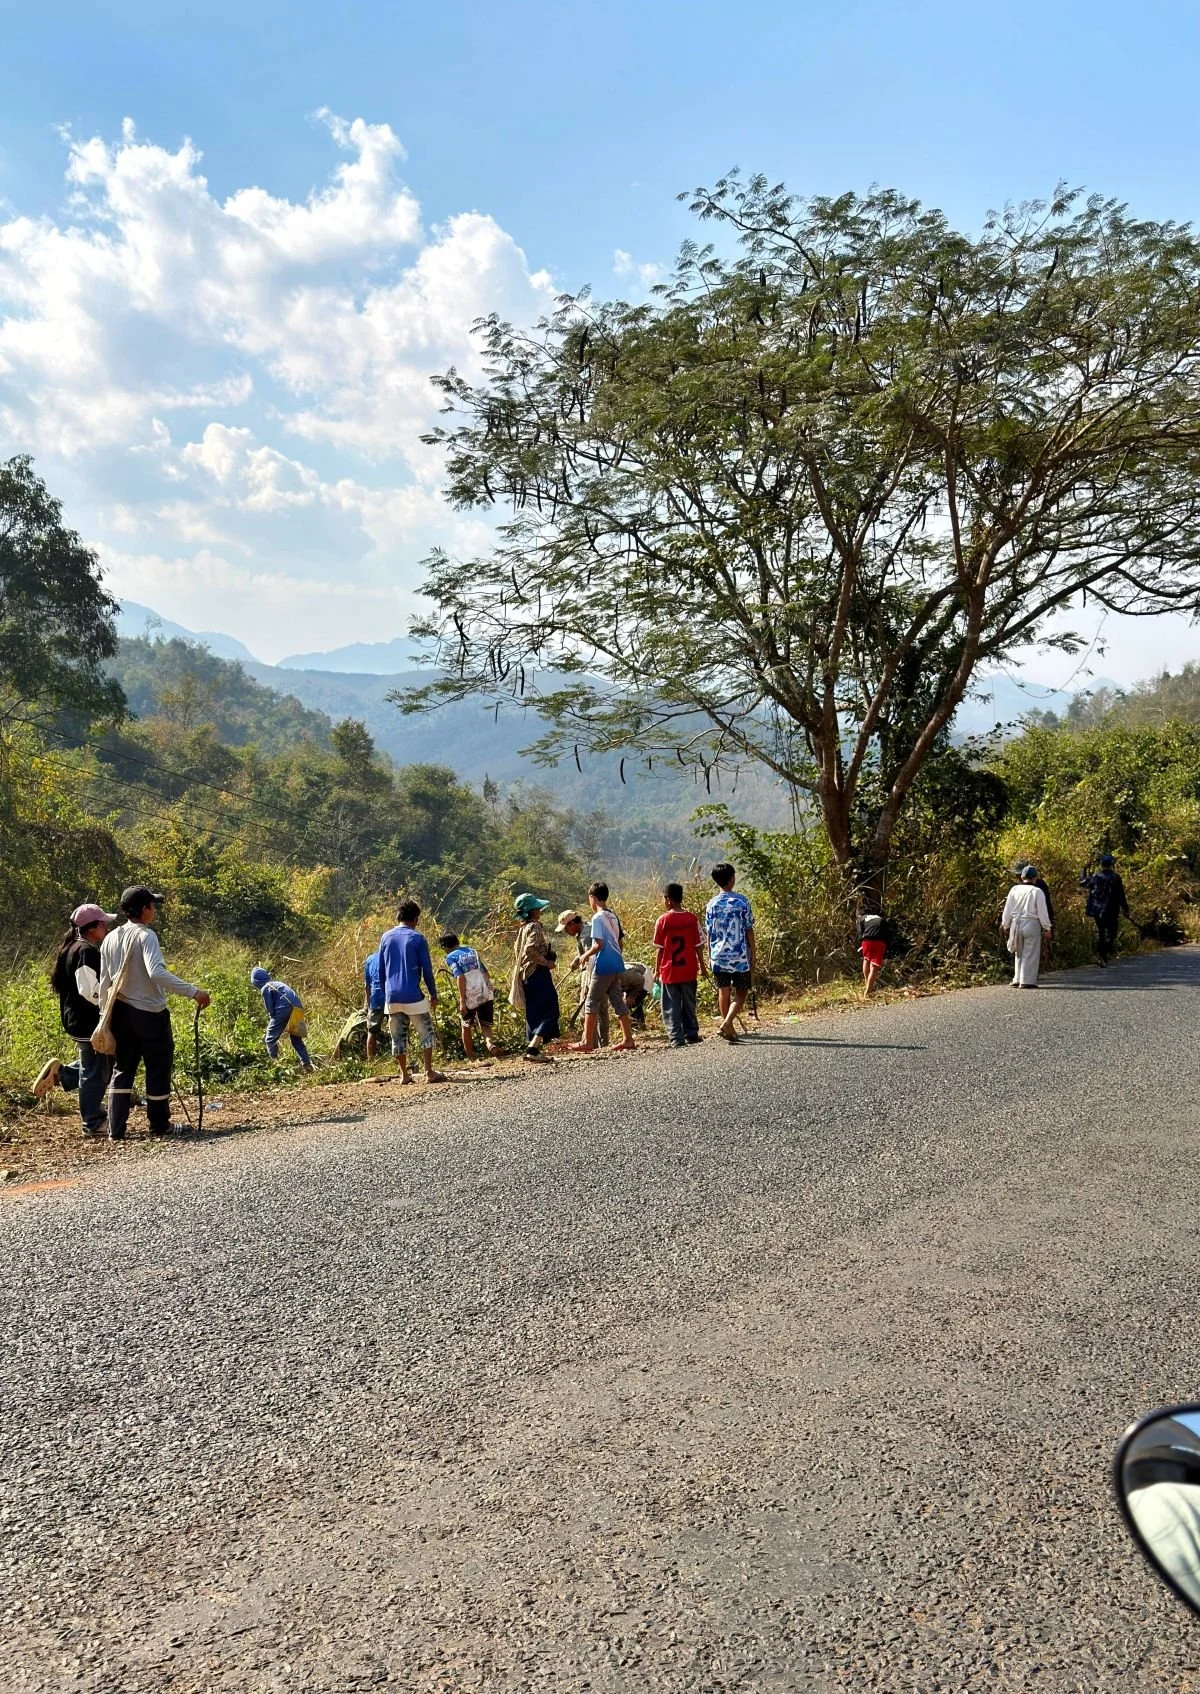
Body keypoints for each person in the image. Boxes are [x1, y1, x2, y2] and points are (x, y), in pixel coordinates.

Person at [98, 887, 211, 1140]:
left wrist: (104, 1017)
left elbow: (104, 982)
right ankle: (160, 1125)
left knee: (123, 1067)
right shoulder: (146, 936)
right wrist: (194, 992)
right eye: (153, 905)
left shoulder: (110, 938)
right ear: (145, 909)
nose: (154, 910)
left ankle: (116, 1130)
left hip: (119, 1011)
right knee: (157, 1067)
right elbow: (156, 973)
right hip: (148, 1012)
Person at [31, 902, 118, 1136]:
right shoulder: (85, 951)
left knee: (101, 1065)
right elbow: (90, 990)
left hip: (77, 1020)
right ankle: (92, 1122)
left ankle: (64, 1074)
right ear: (92, 928)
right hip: (86, 1022)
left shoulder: (73, 948)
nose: (106, 928)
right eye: (103, 924)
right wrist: (113, 998)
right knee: (97, 1071)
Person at [378, 900, 445, 1084]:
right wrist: (433, 994)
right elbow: (427, 971)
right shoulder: (418, 938)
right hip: (413, 996)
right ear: (416, 919)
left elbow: (381, 970)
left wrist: (386, 995)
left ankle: (403, 1075)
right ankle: (429, 1071)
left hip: (392, 996)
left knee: (398, 1036)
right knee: (426, 1032)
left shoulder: (386, 937)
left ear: (398, 916)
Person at [569, 882, 636, 1054]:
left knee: (591, 1001)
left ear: (593, 898)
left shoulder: (597, 918)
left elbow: (598, 944)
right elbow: (620, 942)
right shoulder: (612, 916)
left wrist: (584, 956)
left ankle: (586, 1041)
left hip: (603, 964)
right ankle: (628, 1039)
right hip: (616, 963)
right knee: (617, 1000)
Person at [705, 863, 756, 1042]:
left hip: (718, 956)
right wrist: (753, 954)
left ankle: (729, 1029)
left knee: (723, 992)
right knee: (741, 992)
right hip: (739, 956)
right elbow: (749, 929)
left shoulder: (711, 904)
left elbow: (709, 933)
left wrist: (710, 956)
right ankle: (727, 1024)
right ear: (732, 879)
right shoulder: (742, 902)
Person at [652, 883, 706, 1048]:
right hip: (689, 969)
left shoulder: (662, 920)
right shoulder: (692, 919)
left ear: (668, 900)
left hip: (670, 970)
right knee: (689, 1002)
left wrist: (656, 971)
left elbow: (660, 950)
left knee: (670, 1005)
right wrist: (703, 967)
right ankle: (691, 1033)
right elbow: (699, 946)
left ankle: (676, 1037)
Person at [511, 893, 561, 1063]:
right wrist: (546, 962)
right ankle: (533, 1048)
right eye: (537, 908)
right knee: (551, 1010)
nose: (540, 910)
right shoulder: (534, 927)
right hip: (537, 974)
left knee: (533, 1013)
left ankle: (532, 1047)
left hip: (526, 976)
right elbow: (530, 950)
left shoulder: (522, 929)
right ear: (532, 911)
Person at [438, 932, 501, 1059]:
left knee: (466, 1025)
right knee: (485, 1024)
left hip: (470, 994)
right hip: (485, 990)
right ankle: (490, 1044)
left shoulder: (451, 957)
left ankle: (470, 1057)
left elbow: (460, 977)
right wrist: (489, 988)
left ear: (445, 947)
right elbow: (485, 971)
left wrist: (462, 1001)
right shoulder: (472, 951)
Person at [249, 968, 315, 1073]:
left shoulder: (266, 988)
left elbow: (270, 1009)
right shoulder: (276, 983)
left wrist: (274, 1023)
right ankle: (307, 1064)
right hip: (297, 1008)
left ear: (255, 981)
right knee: (296, 1038)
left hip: (284, 1008)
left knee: (270, 1038)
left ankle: (275, 1065)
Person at [1001, 864, 1053, 988]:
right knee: (1030, 952)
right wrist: (1047, 927)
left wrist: (1005, 924)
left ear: (1022, 876)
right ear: (1035, 878)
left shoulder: (1014, 889)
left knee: (1018, 951)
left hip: (1016, 923)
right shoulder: (1037, 891)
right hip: (1031, 923)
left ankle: (1017, 978)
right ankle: (1027, 980)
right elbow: (1042, 912)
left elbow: (1007, 909)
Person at [1081, 852, 1131, 965]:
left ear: (1101, 864)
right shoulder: (1116, 878)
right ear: (1112, 864)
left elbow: (1082, 882)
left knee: (1101, 932)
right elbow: (1121, 895)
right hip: (1111, 911)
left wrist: (1084, 868)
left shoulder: (1096, 877)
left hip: (1097, 911)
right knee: (1111, 934)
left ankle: (1100, 955)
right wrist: (1126, 909)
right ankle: (1103, 953)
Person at [856, 908, 888, 997]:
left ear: (859, 915)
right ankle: (869, 989)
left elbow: (860, 933)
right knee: (874, 966)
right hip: (880, 942)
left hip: (867, 941)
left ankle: (867, 984)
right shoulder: (880, 918)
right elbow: (887, 934)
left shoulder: (861, 919)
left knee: (866, 960)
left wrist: (861, 944)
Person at [363, 948, 385, 1059]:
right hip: (392, 998)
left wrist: (368, 1003)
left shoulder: (370, 959)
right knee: (398, 1029)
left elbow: (367, 985)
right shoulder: (391, 957)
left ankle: (371, 1058)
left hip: (376, 998)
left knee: (372, 1031)